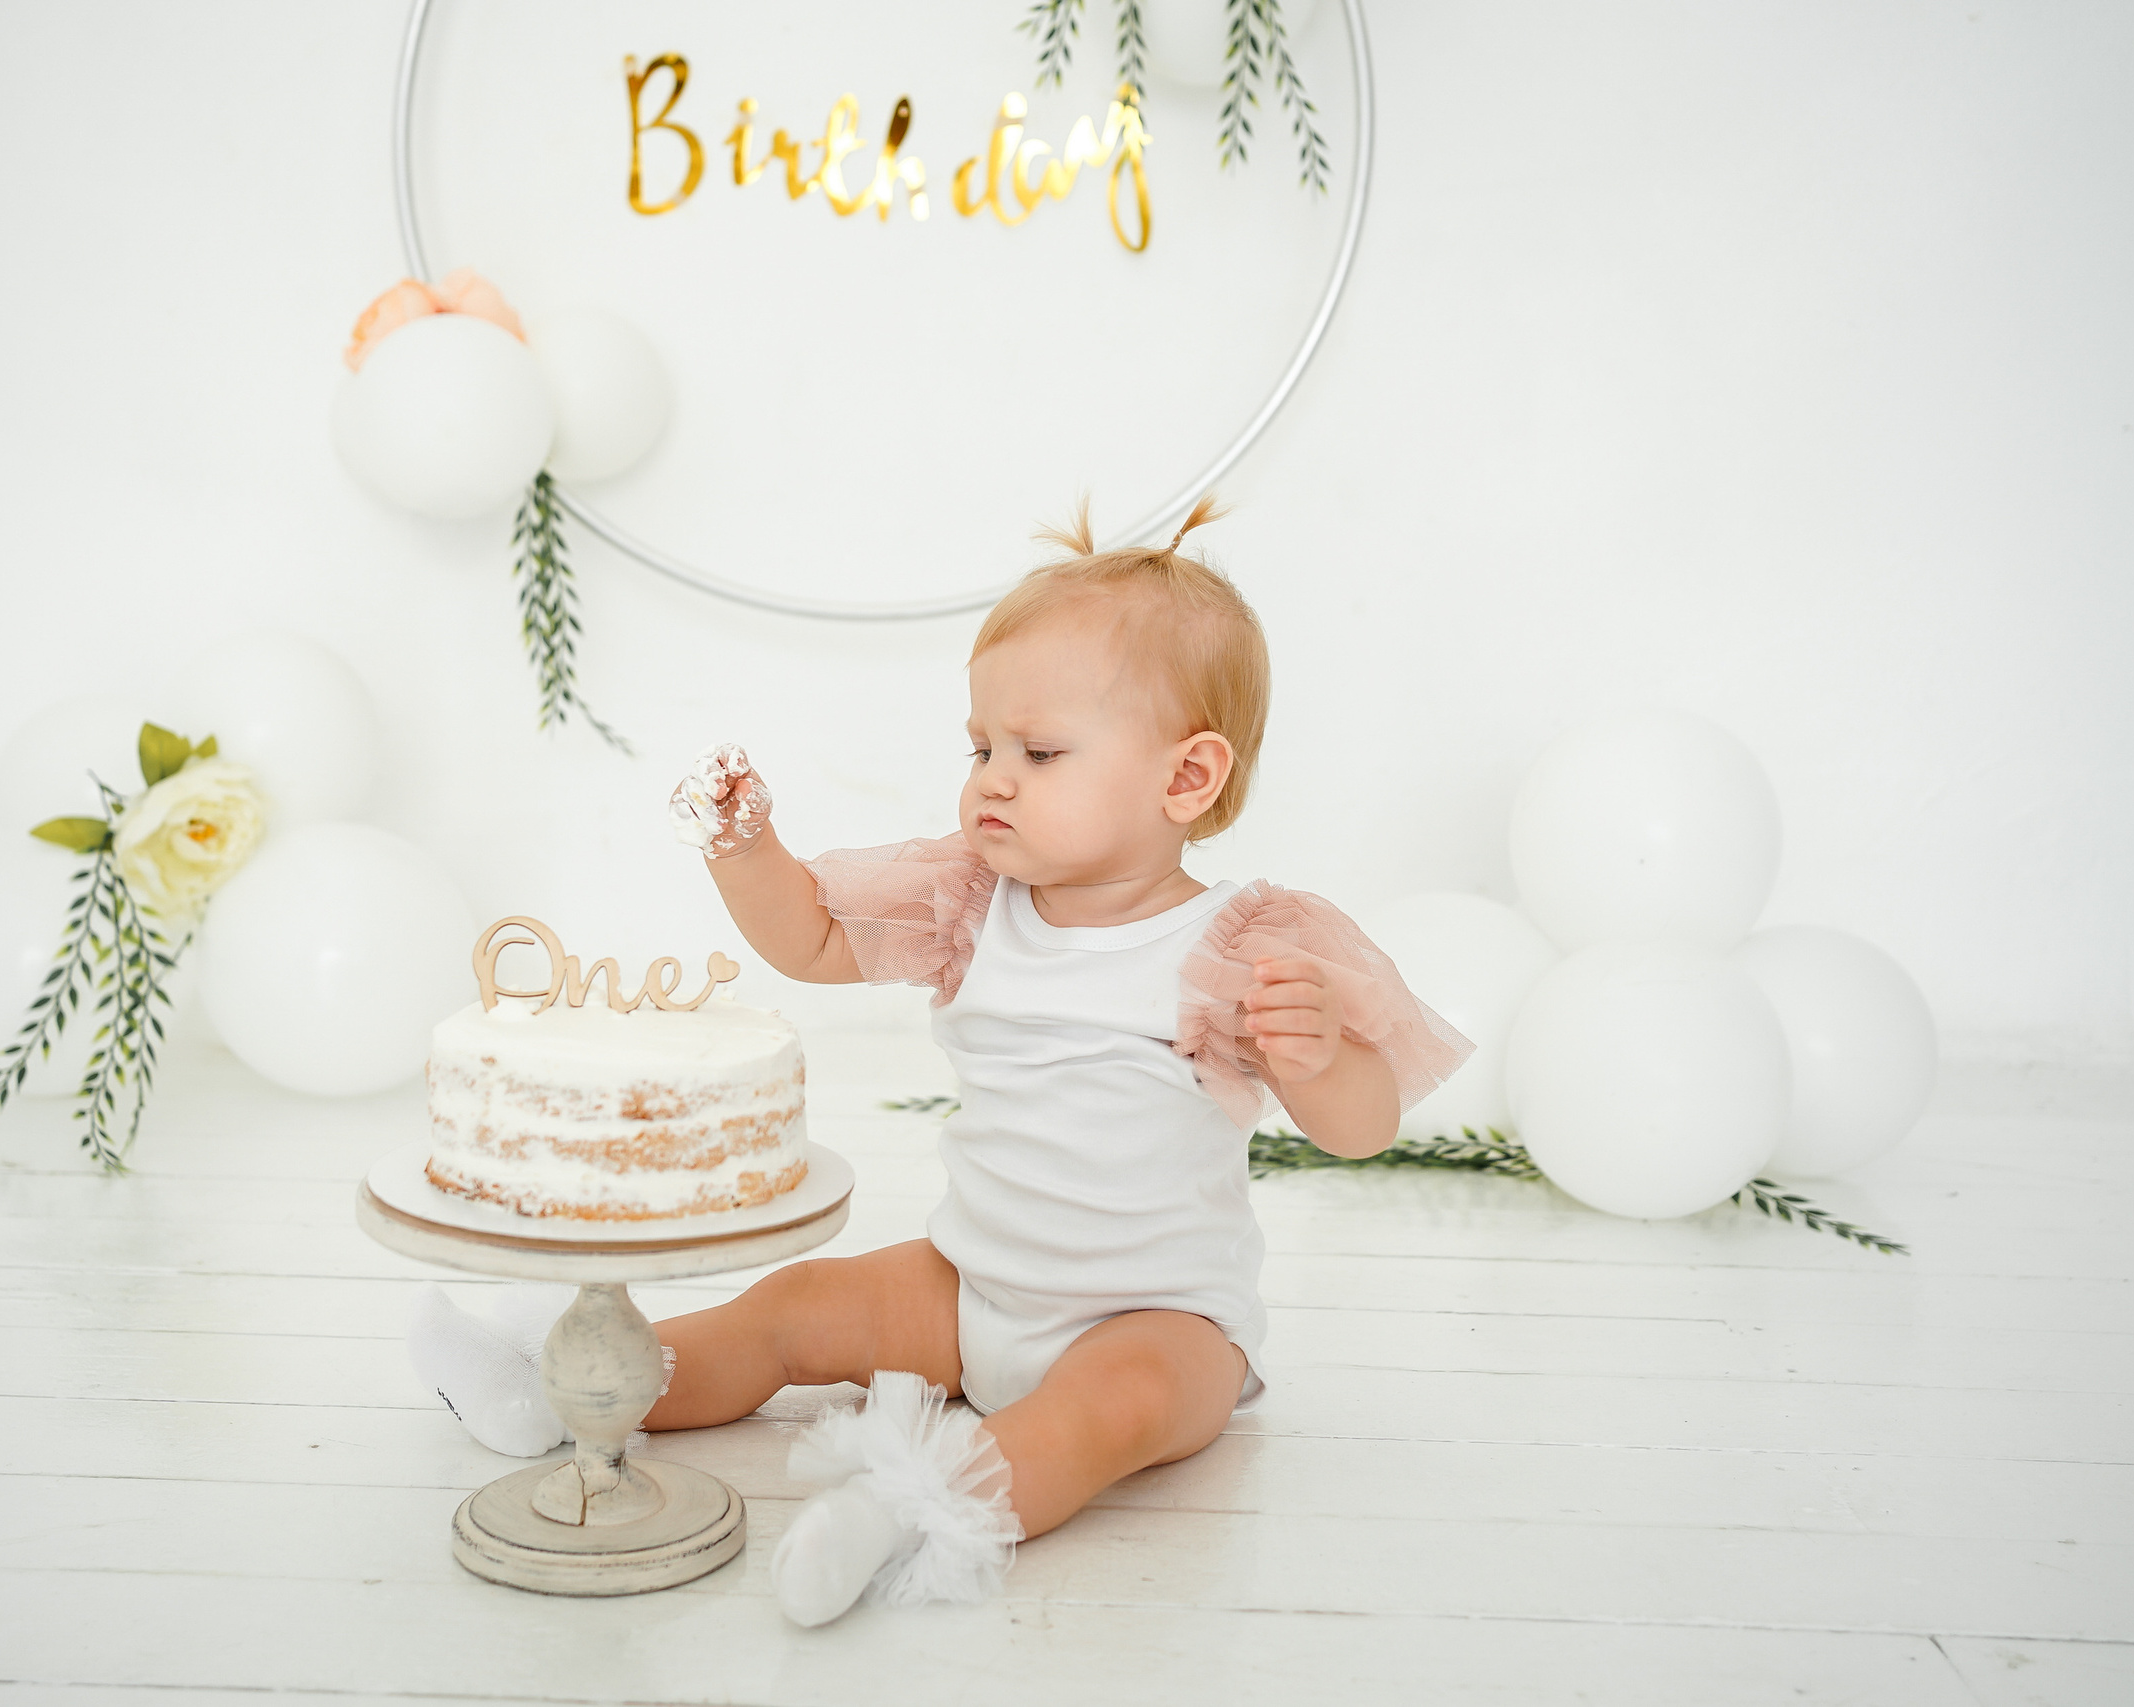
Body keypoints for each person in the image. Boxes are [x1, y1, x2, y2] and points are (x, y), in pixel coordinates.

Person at [415, 498, 1470, 1625]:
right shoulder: (974, 904)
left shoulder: (1237, 946)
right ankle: (568, 1398)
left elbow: (1360, 1128)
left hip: (1158, 1321)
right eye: (980, 748)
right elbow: (815, 938)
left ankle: (901, 1516)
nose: (992, 780)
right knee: (793, 1309)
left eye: (1040, 752)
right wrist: (744, 849)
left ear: (1185, 780)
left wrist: (1312, 1059)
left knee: (1106, 1411)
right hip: (969, 1286)